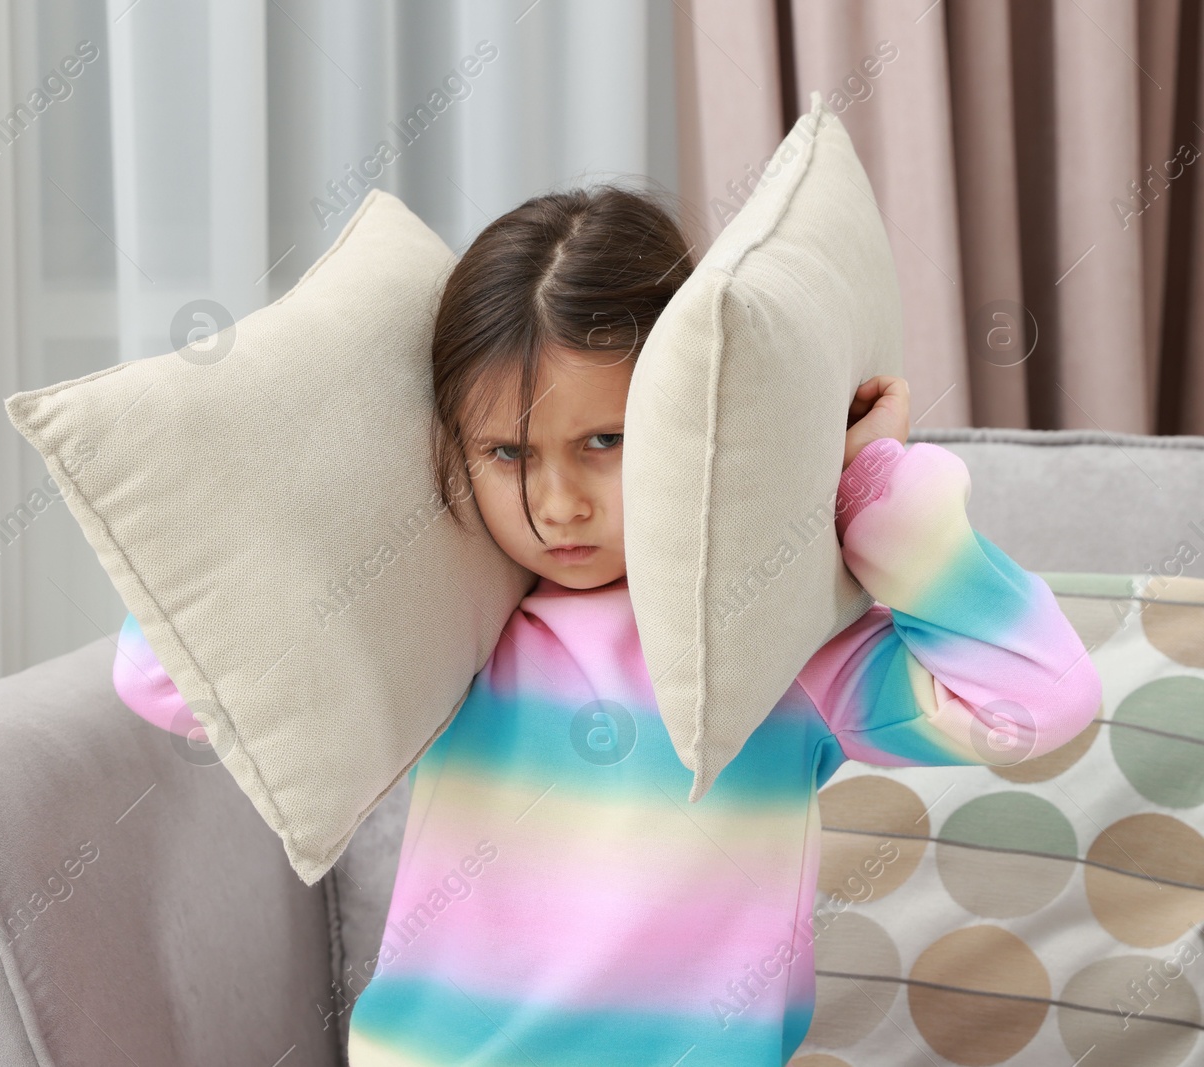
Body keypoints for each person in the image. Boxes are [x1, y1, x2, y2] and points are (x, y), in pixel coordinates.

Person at [113, 183, 1103, 1065]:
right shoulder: (453, 623)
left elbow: (1036, 702)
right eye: (507, 452)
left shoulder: (773, 640)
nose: (557, 503)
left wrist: (873, 496)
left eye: (602, 441)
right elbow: (166, 680)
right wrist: (350, 492)